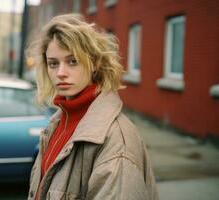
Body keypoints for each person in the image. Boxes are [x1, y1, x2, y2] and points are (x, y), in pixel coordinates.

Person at [27, 13, 158, 200]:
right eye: (53, 63)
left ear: (94, 63)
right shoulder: (56, 124)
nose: (61, 73)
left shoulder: (115, 141)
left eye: (72, 61)